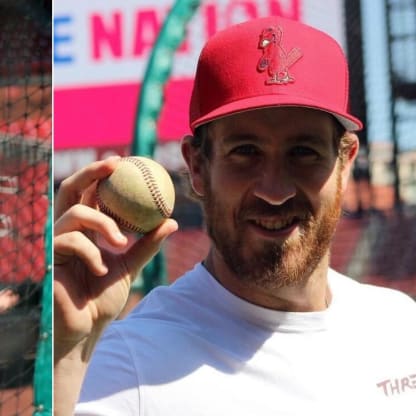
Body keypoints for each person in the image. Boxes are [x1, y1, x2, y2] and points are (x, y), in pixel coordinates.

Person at [54, 16, 416, 415]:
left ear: (346, 162)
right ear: (197, 166)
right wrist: (66, 361)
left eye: (303, 152)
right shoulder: (130, 365)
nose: (274, 191)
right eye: (245, 151)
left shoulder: (400, 326)